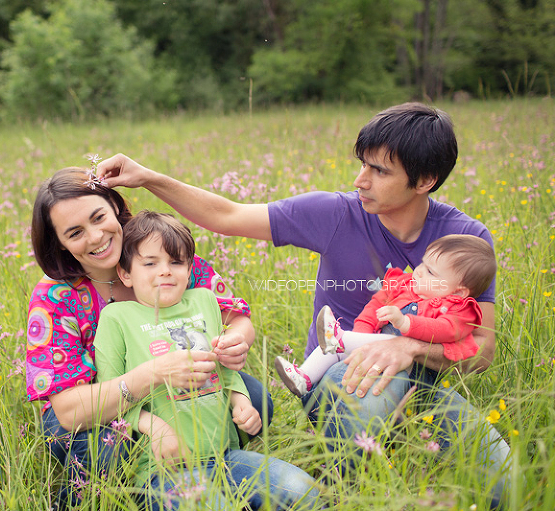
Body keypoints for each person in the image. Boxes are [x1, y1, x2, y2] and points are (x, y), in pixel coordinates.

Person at [96, 103, 512, 507]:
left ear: (425, 180)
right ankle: (345, 494)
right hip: (338, 380)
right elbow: (227, 215)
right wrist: (148, 178)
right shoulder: (335, 213)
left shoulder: (463, 241)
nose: (360, 180)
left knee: (506, 485)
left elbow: (483, 349)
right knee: (365, 405)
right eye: (362, 163)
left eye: (379, 170)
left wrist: (411, 347)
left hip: (424, 386)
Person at [27, 167, 273, 508]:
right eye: (75, 233)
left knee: (256, 396)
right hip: (93, 409)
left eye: (99, 217)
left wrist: (234, 342)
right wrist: (152, 375)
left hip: (175, 389)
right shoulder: (55, 297)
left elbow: (236, 318)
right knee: (109, 443)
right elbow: (68, 411)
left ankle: (204, 469)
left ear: (114, 206)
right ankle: (94, 498)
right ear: (61, 244)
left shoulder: (159, 251)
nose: (96, 236)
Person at [94, 210, 319, 510]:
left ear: (189, 269)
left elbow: (222, 367)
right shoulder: (117, 318)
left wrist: (240, 401)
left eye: (176, 262)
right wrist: (154, 426)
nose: (165, 271)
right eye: (150, 263)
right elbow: (110, 395)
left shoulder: (203, 301)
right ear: (125, 273)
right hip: (163, 471)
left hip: (225, 456)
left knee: (306, 493)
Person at [276, 234, 495, 397]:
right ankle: (304, 378)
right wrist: (361, 337)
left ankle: (341, 339)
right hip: (377, 355)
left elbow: (444, 331)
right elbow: (372, 310)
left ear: (458, 291)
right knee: (333, 351)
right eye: (422, 263)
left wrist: (406, 322)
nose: (418, 271)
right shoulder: (404, 286)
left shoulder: (458, 309)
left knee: (355, 342)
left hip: (413, 373)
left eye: (430, 272)